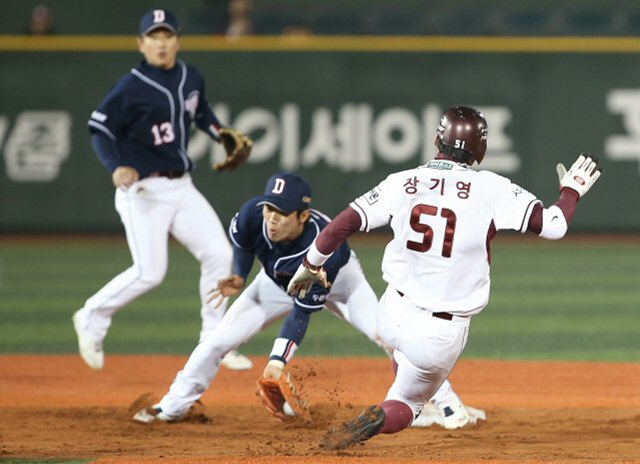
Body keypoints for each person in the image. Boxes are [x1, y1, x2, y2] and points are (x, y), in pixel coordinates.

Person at [287, 106, 603, 449]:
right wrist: (570, 191)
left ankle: (426, 393)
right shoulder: (490, 188)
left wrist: (311, 263)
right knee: (405, 406)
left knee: (399, 348)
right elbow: (554, 226)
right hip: (439, 333)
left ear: (438, 139)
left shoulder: (402, 182)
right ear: (480, 149)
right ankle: (382, 414)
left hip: (391, 311)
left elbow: (344, 223)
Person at [132, 172, 482, 429]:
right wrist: (239, 275)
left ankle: (443, 403)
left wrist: (277, 363)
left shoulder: (323, 248)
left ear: (302, 216)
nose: (271, 217)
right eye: (269, 208)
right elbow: (244, 243)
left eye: (281, 213)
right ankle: (173, 407)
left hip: (342, 281)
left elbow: (300, 314)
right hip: (272, 283)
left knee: (387, 335)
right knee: (219, 340)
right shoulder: (254, 214)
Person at [72, 8, 253, 372]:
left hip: (181, 185)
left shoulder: (190, 76)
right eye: (153, 36)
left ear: (178, 41)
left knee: (220, 254)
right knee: (150, 272)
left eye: (167, 35)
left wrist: (220, 132)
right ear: (141, 44)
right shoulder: (130, 86)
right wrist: (116, 166)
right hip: (142, 189)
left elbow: (199, 110)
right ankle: (91, 315)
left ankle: (214, 340)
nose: (161, 42)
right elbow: (100, 131)